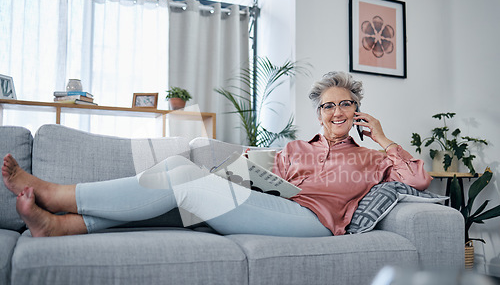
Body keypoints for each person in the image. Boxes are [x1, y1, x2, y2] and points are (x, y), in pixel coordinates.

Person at [2, 71, 431, 237]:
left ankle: (57, 195)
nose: (338, 111)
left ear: (357, 111)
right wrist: (241, 169)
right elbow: (271, 181)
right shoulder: (296, 148)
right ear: (319, 114)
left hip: (314, 222)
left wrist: (382, 137)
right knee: (175, 172)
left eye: (346, 104)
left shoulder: (375, 159)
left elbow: (419, 179)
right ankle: (62, 227)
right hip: (274, 206)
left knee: (182, 179)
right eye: (329, 105)